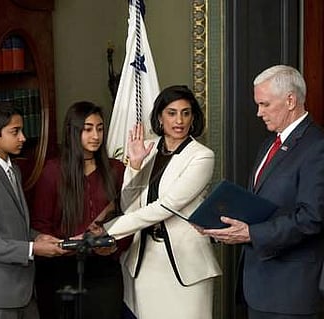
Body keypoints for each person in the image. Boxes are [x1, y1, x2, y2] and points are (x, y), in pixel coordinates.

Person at [201, 65, 324, 319]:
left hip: (291, 292)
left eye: (265, 104)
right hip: (259, 286)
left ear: (290, 100)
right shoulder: (270, 144)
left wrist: (251, 234)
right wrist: (218, 224)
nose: (259, 113)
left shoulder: (317, 146)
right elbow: (257, 206)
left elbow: (313, 217)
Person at [100, 85, 222, 319]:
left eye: (186, 113)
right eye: (172, 112)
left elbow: (166, 206)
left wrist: (110, 230)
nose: (180, 120)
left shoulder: (202, 155)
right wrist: (134, 164)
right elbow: (129, 204)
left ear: (193, 117)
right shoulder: (148, 149)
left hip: (186, 264)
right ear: (159, 116)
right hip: (146, 262)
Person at [0, 101, 66, 319]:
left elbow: (14, 226)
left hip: (24, 291)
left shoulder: (14, 170)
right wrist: (31, 249)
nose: (23, 138)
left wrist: (40, 238)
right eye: (15, 132)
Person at [31, 101, 130, 319]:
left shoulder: (116, 170)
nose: (96, 135)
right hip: (61, 272)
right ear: (73, 131)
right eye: (88, 129)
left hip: (105, 273)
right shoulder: (53, 171)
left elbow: (130, 220)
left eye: (100, 128)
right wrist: (59, 244)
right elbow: (40, 225)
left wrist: (113, 246)